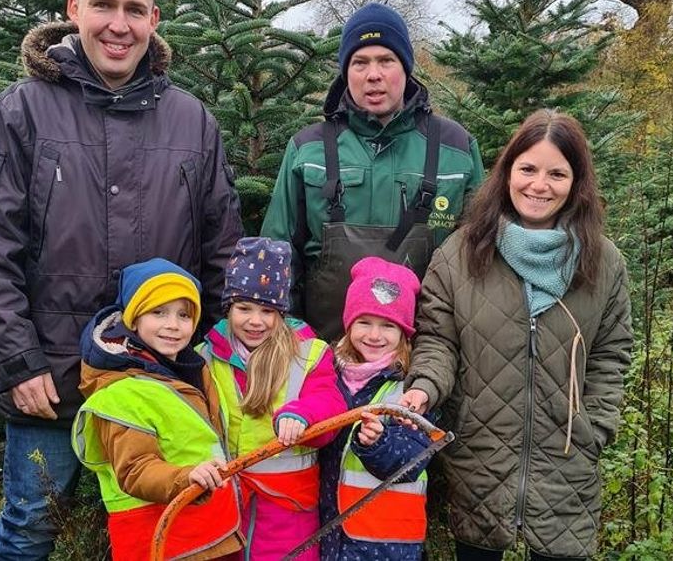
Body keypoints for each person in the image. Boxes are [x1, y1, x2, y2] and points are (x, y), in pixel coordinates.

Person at [0, 0, 242, 559]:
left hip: (161, 379)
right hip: (50, 376)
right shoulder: (23, 111)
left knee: (170, 524)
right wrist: (17, 362)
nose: (119, 25)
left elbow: (222, 249)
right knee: (31, 521)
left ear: (154, 20)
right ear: (75, 8)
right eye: (104, 5)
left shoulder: (192, 121)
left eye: (134, 9)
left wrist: (222, 358)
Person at [400, 110, 633, 561]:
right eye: (527, 168)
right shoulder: (461, 254)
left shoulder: (604, 264)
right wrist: (424, 389)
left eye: (556, 173)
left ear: (576, 182)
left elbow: (610, 353)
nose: (539, 185)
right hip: (481, 462)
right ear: (507, 172)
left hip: (568, 463)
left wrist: (596, 426)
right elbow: (437, 341)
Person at [261, 2, 485, 341]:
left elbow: (478, 262)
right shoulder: (308, 150)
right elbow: (278, 255)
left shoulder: (456, 150)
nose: (373, 75)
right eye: (360, 62)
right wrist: (291, 344)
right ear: (345, 72)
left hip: (425, 360)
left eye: (386, 60)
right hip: (320, 355)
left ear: (406, 68)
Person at [72, 259, 242, 560]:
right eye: (158, 312)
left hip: (213, 533)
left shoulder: (193, 368)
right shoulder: (122, 391)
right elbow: (135, 469)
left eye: (184, 315)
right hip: (163, 543)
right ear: (133, 319)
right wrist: (186, 478)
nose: (173, 325)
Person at [197, 236, 346, 560]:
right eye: (244, 308)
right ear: (228, 307)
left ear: (281, 311)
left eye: (267, 310)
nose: (255, 320)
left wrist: (302, 414)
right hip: (225, 503)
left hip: (288, 509)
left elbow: (331, 403)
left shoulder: (307, 353)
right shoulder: (205, 357)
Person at [318, 256, 431, 561]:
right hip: (329, 531)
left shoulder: (411, 387)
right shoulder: (326, 372)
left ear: (404, 332)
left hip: (385, 542)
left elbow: (413, 459)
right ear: (348, 323)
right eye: (364, 322)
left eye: (387, 326)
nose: (374, 335)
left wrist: (378, 443)